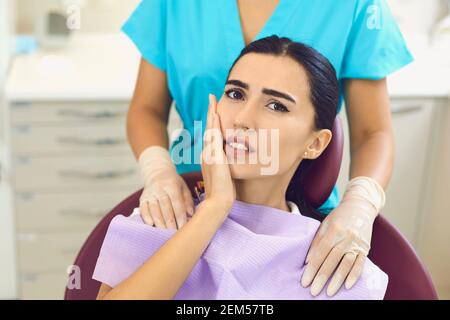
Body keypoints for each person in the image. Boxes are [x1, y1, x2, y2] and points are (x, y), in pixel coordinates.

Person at [122, 0, 412, 296]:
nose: (244, 119)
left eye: (276, 105)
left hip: (304, 213)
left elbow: (372, 131)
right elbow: (146, 110)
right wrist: (160, 173)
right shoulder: (153, 228)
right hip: (183, 200)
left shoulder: (356, 7)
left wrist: (360, 204)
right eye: (234, 93)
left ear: (316, 142)